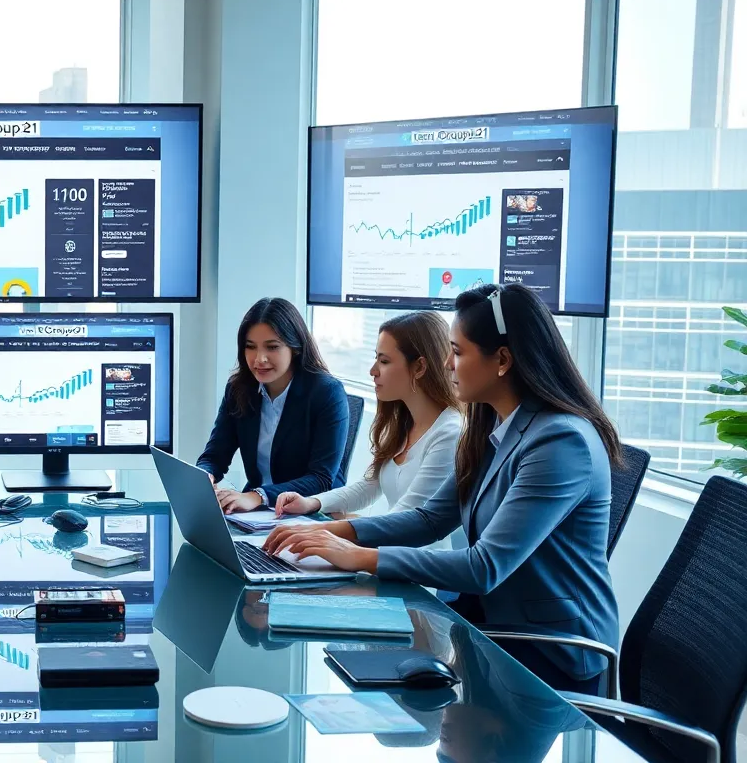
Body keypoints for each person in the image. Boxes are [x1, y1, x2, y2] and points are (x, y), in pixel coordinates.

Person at [264, 283, 622, 693]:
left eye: (457, 351)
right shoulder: (493, 425)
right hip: (486, 633)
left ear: (502, 360)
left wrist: (359, 557)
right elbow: (431, 518)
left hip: (552, 655)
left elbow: (484, 566)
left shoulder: (560, 442)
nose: (447, 364)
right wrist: (327, 531)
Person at [272, 311, 462, 551]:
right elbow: (369, 486)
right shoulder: (401, 424)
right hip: (379, 555)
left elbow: (407, 518)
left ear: (420, 367)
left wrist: (325, 527)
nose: (373, 370)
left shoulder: (449, 433)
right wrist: (311, 503)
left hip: (415, 572)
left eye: (384, 361)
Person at [197, 297, 351, 513]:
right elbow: (215, 456)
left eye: (272, 347)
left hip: (312, 513)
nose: (259, 359)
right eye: (250, 347)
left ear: (294, 347)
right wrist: (205, 476)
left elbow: (321, 479)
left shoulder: (326, 392)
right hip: (258, 513)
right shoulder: (239, 388)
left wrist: (258, 496)